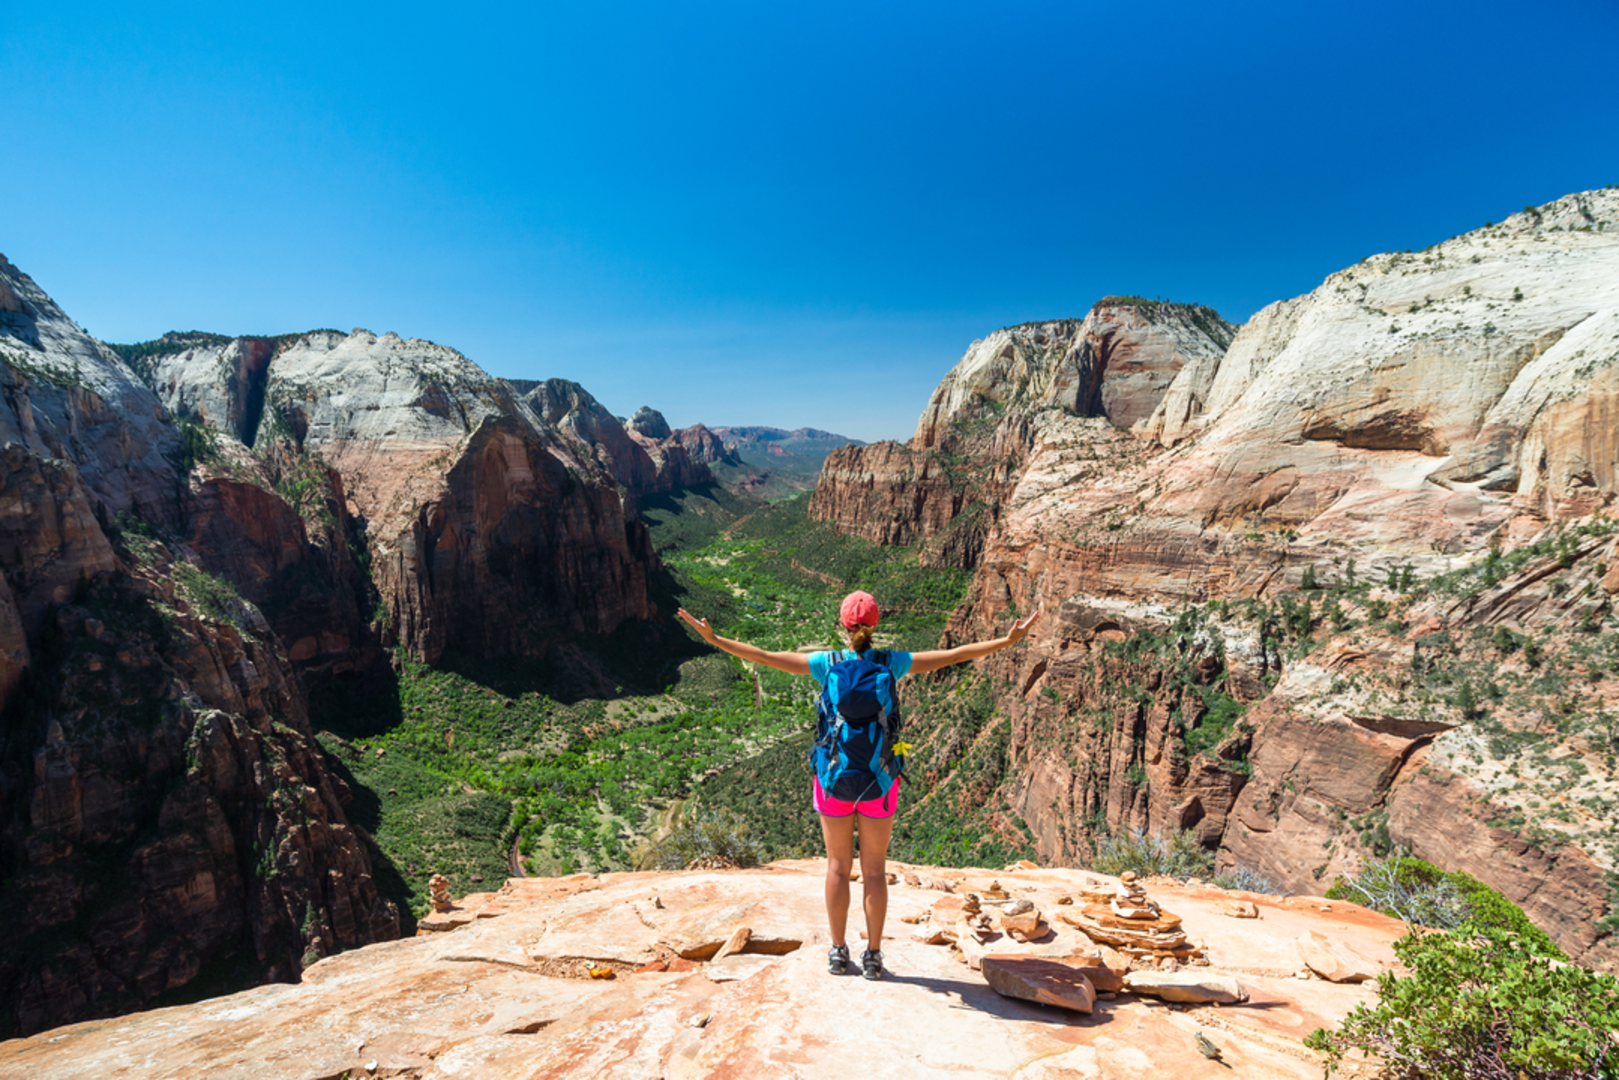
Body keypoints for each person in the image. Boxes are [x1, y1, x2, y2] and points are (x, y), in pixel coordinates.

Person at [676, 590, 1041, 981]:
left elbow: (765, 657)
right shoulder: (893, 663)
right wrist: (1005, 640)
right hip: (879, 782)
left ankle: (837, 952)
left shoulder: (826, 662)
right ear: (875, 626)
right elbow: (954, 656)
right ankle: (873, 955)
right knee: (874, 871)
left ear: (842, 626)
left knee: (836, 868)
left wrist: (714, 639)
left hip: (833, 782)